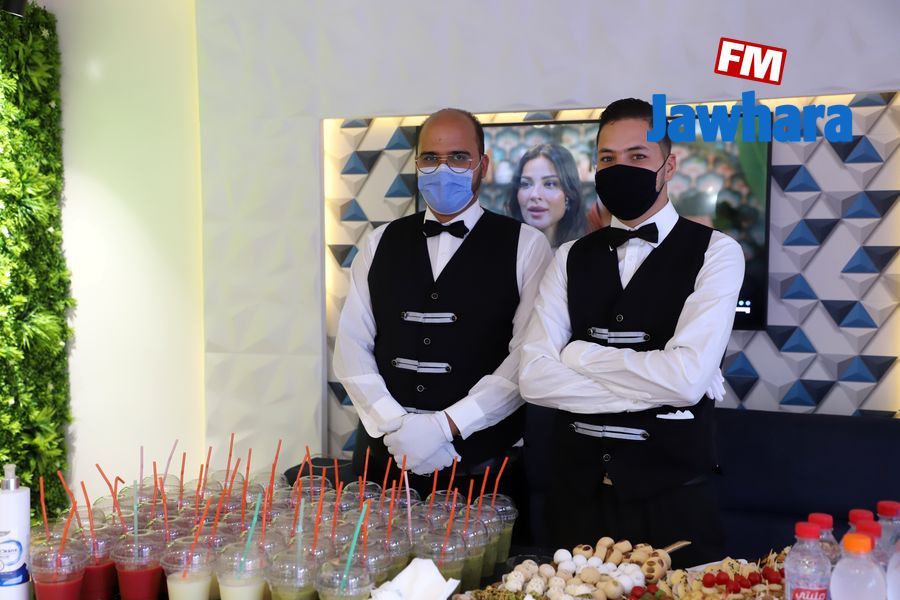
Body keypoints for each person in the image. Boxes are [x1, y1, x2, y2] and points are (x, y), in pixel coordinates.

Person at [519, 98, 743, 567]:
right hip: (575, 503)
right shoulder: (569, 257)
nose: (620, 168)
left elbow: (685, 379)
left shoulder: (718, 253)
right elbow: (535, 379)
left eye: (637, 156)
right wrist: (660, 389)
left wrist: (578, 356)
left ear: (668, 167)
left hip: (674, 504)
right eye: (607, 158)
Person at [334, 108, 553, 505]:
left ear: (483, 165)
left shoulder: (527, 245)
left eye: (458, 157)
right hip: (384, 462)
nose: (442, 168)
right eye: (431, 158)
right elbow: (351, 348)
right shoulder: (380, 242)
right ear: (417, 163)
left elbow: (526, 358)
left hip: (480, 468)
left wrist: (444, 426)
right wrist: (397, 426)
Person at [507, 143, 587, 248]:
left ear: (569, 194)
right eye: (526, 184)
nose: (534, 195)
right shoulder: (502, 250)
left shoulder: (586, 252)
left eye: (550, 184)